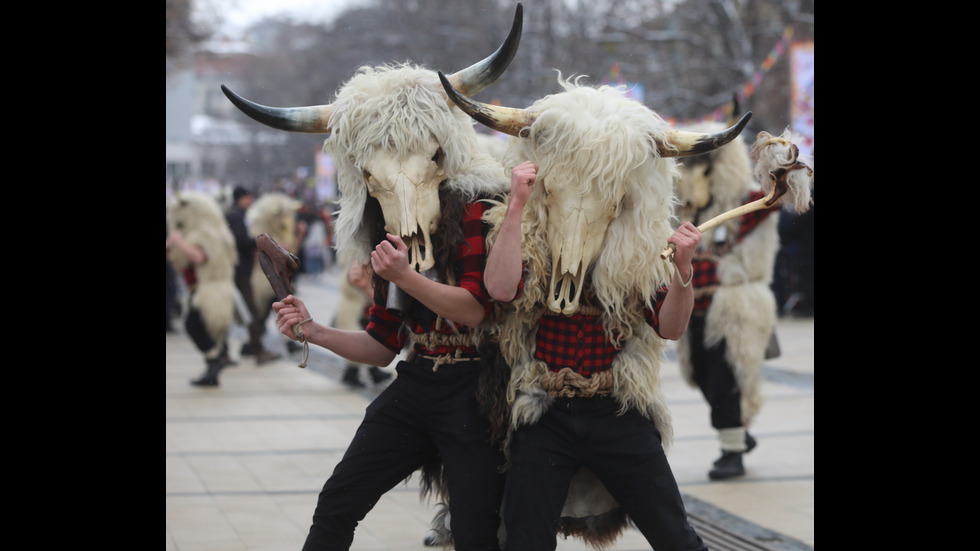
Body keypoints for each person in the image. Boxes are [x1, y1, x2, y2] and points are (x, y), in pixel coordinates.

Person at [485, 161, 707, 551]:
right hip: (545, 411)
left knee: (676, 537)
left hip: (617, 410)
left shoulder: (638, 247)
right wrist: (517, 204)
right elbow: (501, 289)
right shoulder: (534, 236)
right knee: (524, 542)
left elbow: (671, 328)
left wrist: (683, 270)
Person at [273, 198, 505, 550]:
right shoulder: (388, 227)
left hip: (475, 388)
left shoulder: (471, 208)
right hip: (417, 379)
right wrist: (313, 330)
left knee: (475, 529)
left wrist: (404, 276)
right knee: (338, 501)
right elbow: (381, 345)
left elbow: (473, 310)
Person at [167, 191, 239, 387]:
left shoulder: (207, 234)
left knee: (193, 325)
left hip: (210, 290)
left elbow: (199, 257)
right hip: (201, 289)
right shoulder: (204, 232)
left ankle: (215, 361)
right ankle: (213, 365)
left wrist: (178, 242)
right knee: (199, 327)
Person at [333, 260, 393, 389]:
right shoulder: (355, 263)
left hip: (365, 310)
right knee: (358, 340)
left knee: (370, 339)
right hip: (354, 312)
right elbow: (347, 284)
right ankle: (355, 374)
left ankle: (371, 373)